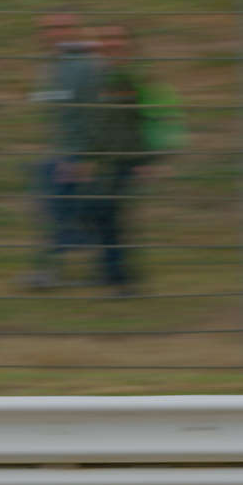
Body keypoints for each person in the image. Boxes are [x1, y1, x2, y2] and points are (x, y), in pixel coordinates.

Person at [24, 12, 101, 289]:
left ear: (74, 30)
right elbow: (48, 100)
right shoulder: (53, 64)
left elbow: (92, 110)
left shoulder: (84, 65)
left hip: (79, 153)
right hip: (60, 149)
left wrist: (87, 157)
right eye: (48, 29)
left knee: (72, 211)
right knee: (53, 209)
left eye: (61, 27)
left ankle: (54, 271)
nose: (54, 34)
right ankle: (55, 269)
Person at [86, 25, 155, 297]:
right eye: (107, 38)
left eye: (118, 38)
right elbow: (97, 121)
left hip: (130, 160)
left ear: (128, 43)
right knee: (101, 214)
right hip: (105, 161)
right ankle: (111, 272)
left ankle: (123, 280)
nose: (112, 43)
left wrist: (148, 160)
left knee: (115, 216)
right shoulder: (100, 77)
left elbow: (150, 120)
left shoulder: (135, 77)